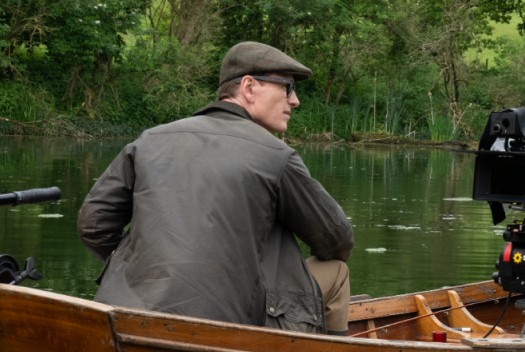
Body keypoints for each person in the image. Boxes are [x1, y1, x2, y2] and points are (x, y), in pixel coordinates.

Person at [76, 42, 354, 335]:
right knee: (336, 270)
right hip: (231, 326)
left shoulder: (149, 140)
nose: (294, 100)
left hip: (126, 316)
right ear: (248, 87)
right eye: (286, 87)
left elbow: (93, 225)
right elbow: (337, 241)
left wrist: (137, 268)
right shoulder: (275, 156)